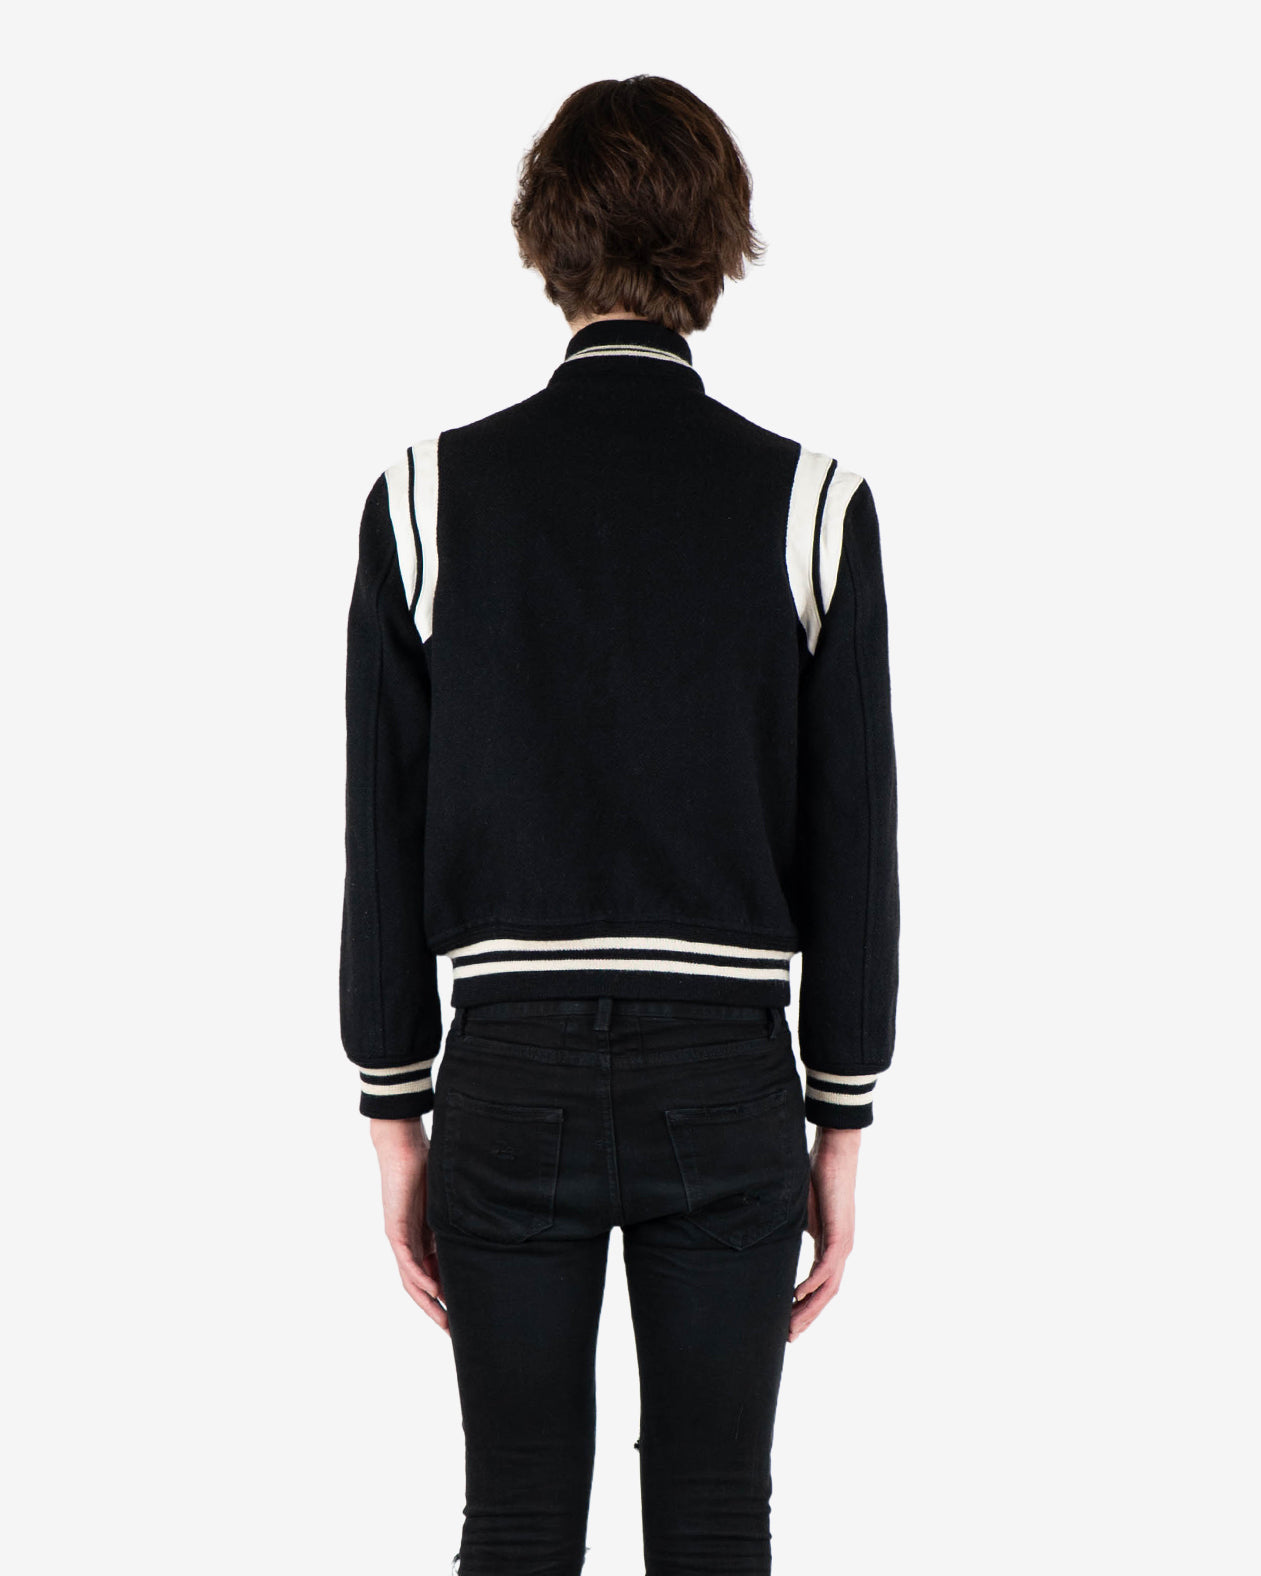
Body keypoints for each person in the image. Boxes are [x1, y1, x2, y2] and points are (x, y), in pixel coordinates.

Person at [339, 75, 899, 1576]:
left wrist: (395, 1117)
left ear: (547, 240)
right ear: (720, 245)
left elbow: (380, 843)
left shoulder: (424, 498)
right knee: (715, 1523)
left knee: (515, 1520)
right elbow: (858, 853)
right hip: (726, 1080)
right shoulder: (813, 505)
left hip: (505, 1074)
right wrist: (840, 1122)